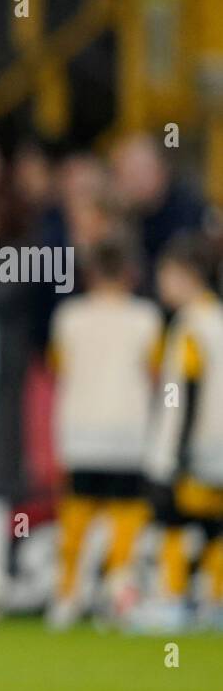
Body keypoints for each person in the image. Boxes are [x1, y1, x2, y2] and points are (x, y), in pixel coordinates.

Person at [46, 231, 160, 629]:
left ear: (90, 273)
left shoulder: (69, 317)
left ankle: (67, 597)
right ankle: (119, 595)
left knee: (77, 519)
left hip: (81, 431)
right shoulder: (147, 318)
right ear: (131, 272)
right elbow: (158, 374)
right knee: (126, 519)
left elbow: (57, 367)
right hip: (129, 432)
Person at [138, 234, 223, 632]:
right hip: (216, 444)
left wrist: (174, 445)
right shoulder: (217, 319)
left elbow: (182, 389)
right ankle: (214, 601)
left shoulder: (189, 326)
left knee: (172, 522)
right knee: (214, 528)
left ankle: (171, 599)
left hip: (193, 444)